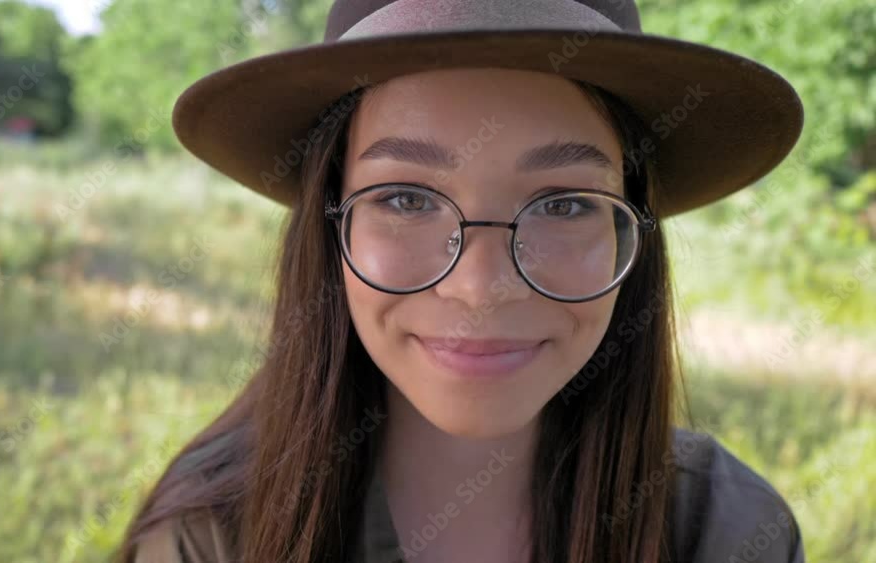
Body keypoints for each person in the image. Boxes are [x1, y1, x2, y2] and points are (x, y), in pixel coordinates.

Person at [117, 1, 806, 562]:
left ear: (632, 233)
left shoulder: (728, 533)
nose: (481, 288)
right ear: (332, 228)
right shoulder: (211, 535)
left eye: (565, 203)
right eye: (406, 199)